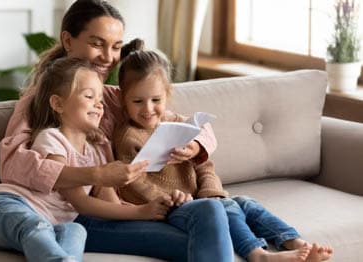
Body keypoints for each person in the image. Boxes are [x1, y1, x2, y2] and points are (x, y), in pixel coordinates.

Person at [0, 0, 234, 261]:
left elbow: (188, 121)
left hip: (108, 207)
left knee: (213, 218)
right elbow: (13, 164)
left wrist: (195, 145)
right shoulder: (42, 99)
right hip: (71, 211)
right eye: (96, 43)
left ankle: (255, 249)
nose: (108, 57)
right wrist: (98, 175)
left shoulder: (115, 98)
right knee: (200, 232)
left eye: (116, 47)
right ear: (68, 41)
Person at [112, 46, 334, 262]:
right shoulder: (128, 137)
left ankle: (296, 243)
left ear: (167, 94)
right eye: (138, 101)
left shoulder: (180, 124)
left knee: (245, 203)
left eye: (156, 100)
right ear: (124, 99)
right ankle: (259, 255)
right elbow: (133, 183)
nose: (148, 109)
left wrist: (211, 192)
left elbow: (204, 165)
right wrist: (169, 200)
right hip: (170, 209)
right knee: (226, 207)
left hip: (202, 201)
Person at [0, 56, 174, 262]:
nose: (99, 105)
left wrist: (156, 206)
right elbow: (81, 203)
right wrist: (141, 212)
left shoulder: (97, 151)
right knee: (37, 227)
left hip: (53, 224)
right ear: (58, 104)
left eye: (100, 99)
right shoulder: (52, 139)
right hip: (6, 209)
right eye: (89, 96)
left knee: (75, 231)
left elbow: (112, 205)